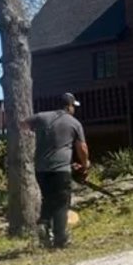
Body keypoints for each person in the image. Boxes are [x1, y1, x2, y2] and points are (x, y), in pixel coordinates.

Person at [26, 95, 89, 248]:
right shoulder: (74, 123)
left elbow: (22, 124)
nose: (74, 109)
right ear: (69, 106)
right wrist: (84, 164)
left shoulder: (41, 117)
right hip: (60, 170)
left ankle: (44, 225)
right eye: (74, 106)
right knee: (62, 202)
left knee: (48, 199)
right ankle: (61, 239)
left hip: (41, 169)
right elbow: (82, 148)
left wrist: (34, 133)